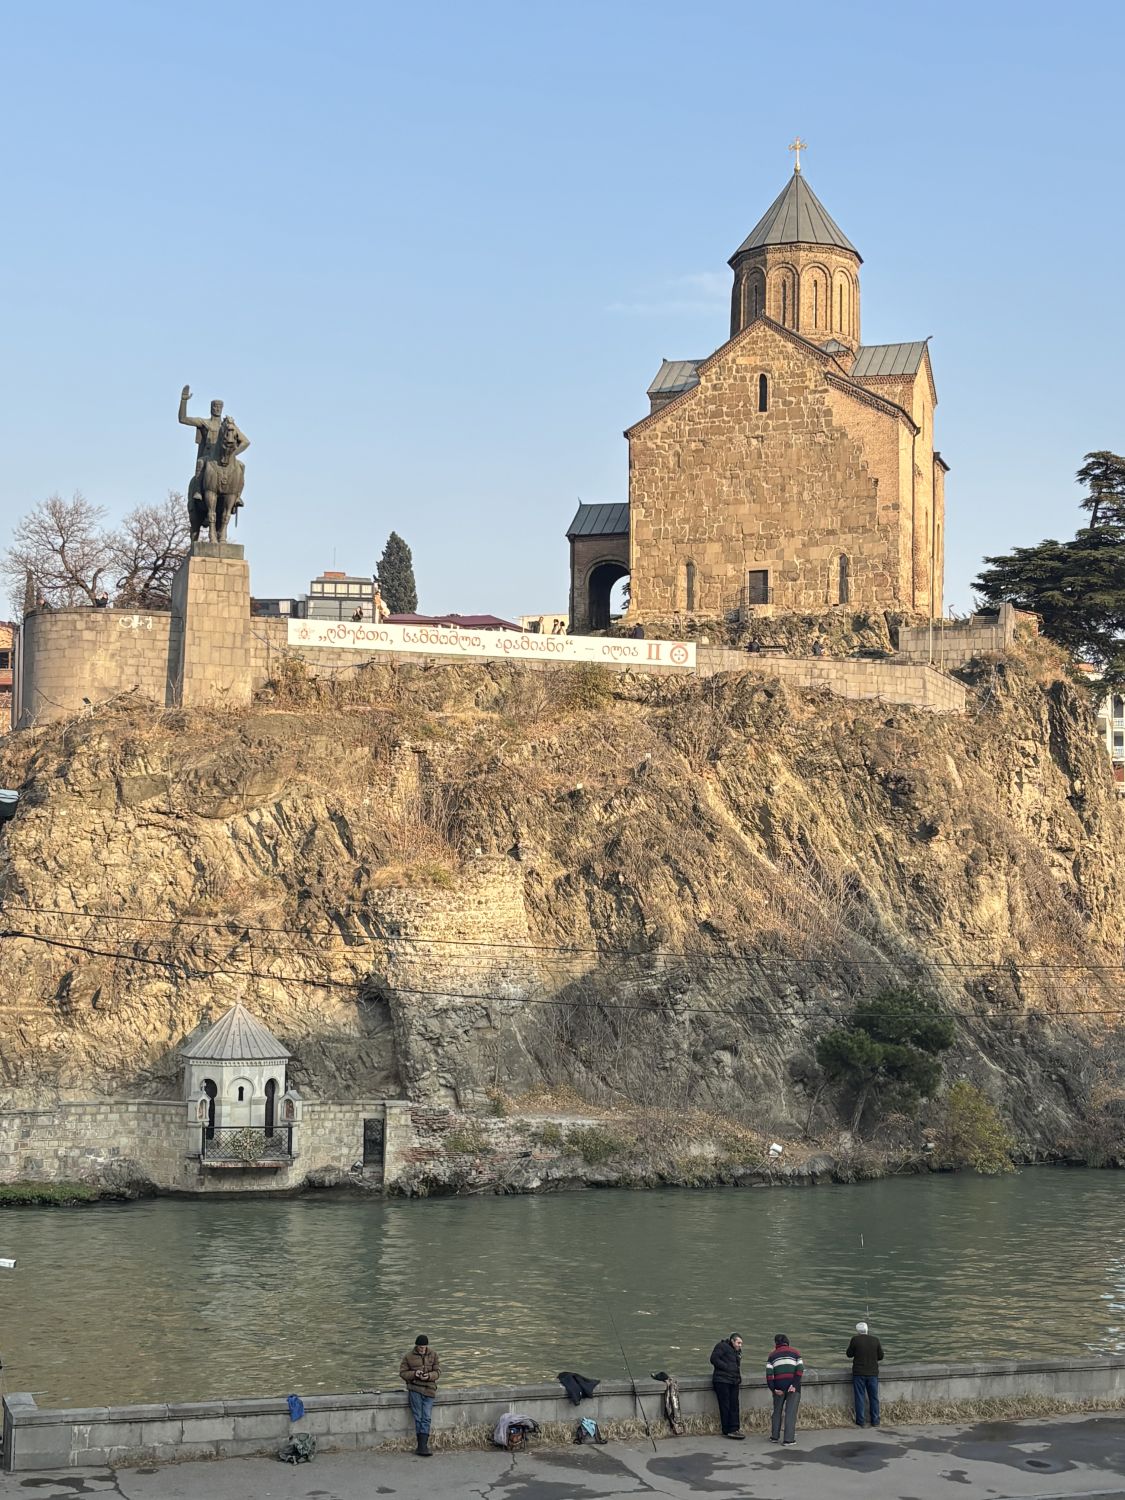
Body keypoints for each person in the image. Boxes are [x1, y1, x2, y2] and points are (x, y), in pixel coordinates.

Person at [399, 1333, 440, 1456]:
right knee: (418, 1417)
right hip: (415, 1388)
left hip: (429, 1389)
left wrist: (429, 1376)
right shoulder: (408, 1357)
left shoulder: (433, 1354)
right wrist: (414, 1374)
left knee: (426, 1417)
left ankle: (423, 1445)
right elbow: (402, 1373)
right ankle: (421, 1446)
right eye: (420, 1347)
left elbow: (438, 1372)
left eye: (424, 1347)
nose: (422, 1349)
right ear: (416, 1346)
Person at [766, 1333, 804, 1445]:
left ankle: (774, 1436)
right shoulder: (796, 1353)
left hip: (779, 1387)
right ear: (787, 1342)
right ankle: (788, 1439)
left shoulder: (772, 1356)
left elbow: (769, 1375)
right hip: (793, 1387)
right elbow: (800, 1369)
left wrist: (773, 1389)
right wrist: (794, 1385)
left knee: (777, 1411)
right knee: (790, 1413)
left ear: (776, 1343)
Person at [846, 1320, 884, 1427]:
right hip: (872, 1373)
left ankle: (861, 1421)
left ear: (858, 1331)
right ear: (867, 1330)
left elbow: (849, 1354)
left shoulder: (855, 1340)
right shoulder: (875, 1340)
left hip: (859, 1373)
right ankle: (875, 1421)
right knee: (874, 1397)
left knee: (860, 1397)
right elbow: (881, 1356)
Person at [708, 1332, 744, 1438]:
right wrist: (727, 1367)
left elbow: (736, 1367)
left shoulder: (736, 1352)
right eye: (738, 1343)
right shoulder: (722, 1346)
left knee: (734, 1405)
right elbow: (713, 1359)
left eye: (741, 1343)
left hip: (733, 1380)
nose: (740, 1345)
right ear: (732, 1341)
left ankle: (734, 1429)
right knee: (725, 1405)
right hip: (722, 1381)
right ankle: (727, 1429)